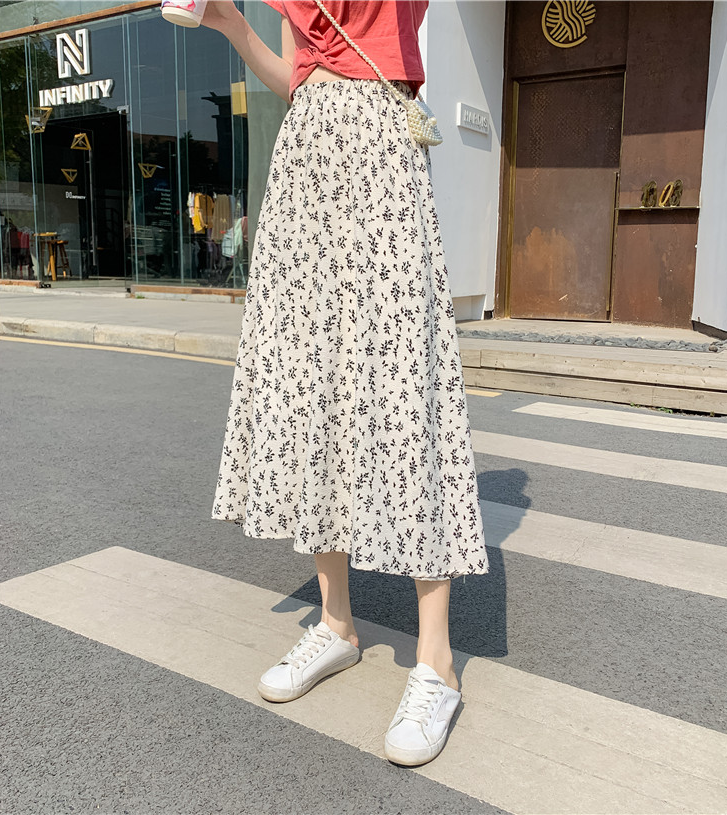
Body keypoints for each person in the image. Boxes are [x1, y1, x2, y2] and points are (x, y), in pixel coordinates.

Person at [206, 0, 489, 767]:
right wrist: (231, 26)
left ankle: (436, 661)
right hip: (306, 156)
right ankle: (336, 623)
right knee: (311, 383)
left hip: (380, 141)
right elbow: (297, 74)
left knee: (406, 383)